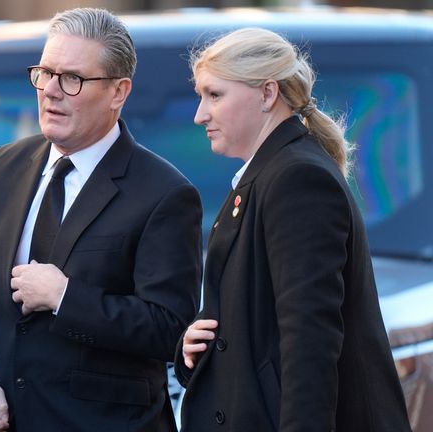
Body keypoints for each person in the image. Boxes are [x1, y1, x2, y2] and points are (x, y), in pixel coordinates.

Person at [0, 7, 203, 432]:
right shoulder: (3, 166)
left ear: (119, 91)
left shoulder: (165, 193)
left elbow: (169, 327)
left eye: (72, 79)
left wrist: (65, 298)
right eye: (45, 73)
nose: (51, 91)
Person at [175, 27, 411, 431]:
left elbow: (309, 343)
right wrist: (196, 347)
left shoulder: (296, 177)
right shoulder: (271, 174)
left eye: (214, 95)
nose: (200, 115)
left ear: (268, 94)